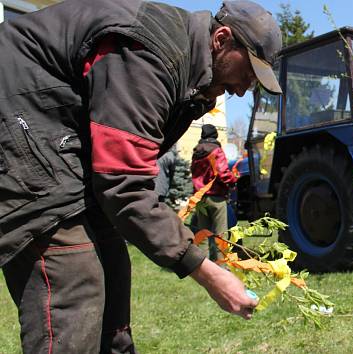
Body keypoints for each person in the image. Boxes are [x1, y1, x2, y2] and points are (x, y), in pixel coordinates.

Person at [0, 0, 282, 352]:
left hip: (63, 143)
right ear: (221, 39)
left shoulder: (185, 69)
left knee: (115, 271)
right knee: (73, 278)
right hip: (21, 125)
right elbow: (124, 184)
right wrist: (207, 273)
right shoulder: (150, 54)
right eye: (248, 73)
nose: (243, 89)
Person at [191, 124, 237, 261]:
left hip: (200, 198)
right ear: (215, 135)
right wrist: (232, 181)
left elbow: (193, 173)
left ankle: (203, 266)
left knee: (203, 235)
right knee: (220, 236)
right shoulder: (216, 150)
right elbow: (223, 173)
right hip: (216, 198)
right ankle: (220, 267)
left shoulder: (196, 152)